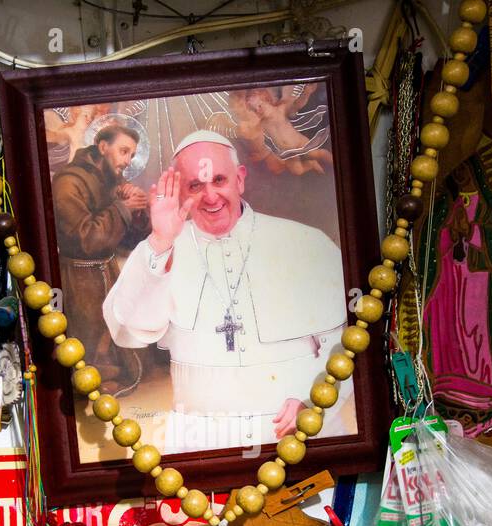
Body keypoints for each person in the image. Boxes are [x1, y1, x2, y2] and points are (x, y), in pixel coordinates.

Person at [102, 130, 351, 453]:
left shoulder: (306, 242)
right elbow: (128, 332)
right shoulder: (159, 251)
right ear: (180, 191)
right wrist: (161, 242)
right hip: (202, 440)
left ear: (240, 179)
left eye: (219, 180)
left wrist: (314, 399)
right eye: (195, 185)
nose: (210, 197)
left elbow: (345, 342)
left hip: (299, 431)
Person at [52, 122, 150, 394]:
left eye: (131, 154)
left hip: (107, 273)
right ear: (103, 146)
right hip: (81, 279)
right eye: (123, 151)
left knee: (116, 338)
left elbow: (132, 240)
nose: (127, 161)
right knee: (91, 346)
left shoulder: (113, 182)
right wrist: (122, 209)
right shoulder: (68, 182)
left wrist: (137, 210)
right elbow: (85, 238)